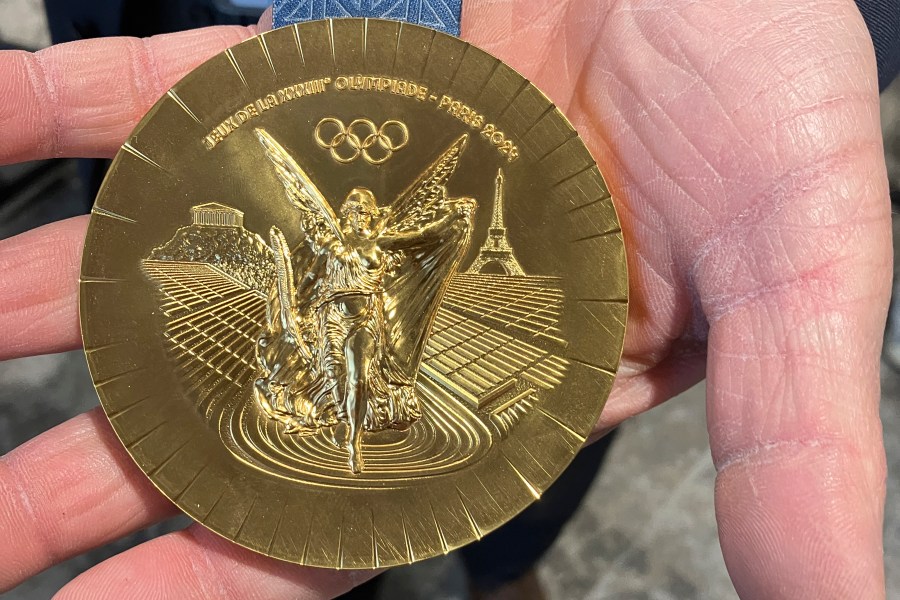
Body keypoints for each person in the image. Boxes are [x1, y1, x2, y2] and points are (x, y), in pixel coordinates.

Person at [0, 1, 895, 597]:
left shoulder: (382, 234)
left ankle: (502, 564)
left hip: (552, 46)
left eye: (356, 205)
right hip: (153, 27)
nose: (352, 208)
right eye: (347, 206)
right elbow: (312, 234)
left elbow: (434, 226)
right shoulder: (336, 230)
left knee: (567, 427)